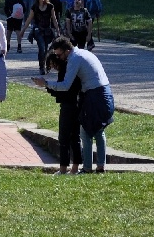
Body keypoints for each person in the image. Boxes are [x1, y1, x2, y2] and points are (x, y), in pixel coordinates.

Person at [43, 35, 113, 172]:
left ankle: (87, 168)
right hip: (105, 92)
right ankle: (100, 167)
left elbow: (65, 85)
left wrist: (46, 83)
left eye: (59, 54)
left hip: (94, 94)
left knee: (85, 132)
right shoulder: (84, 52)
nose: (58, 58)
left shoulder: (74, 59)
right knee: (99, 131)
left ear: (67, 50)